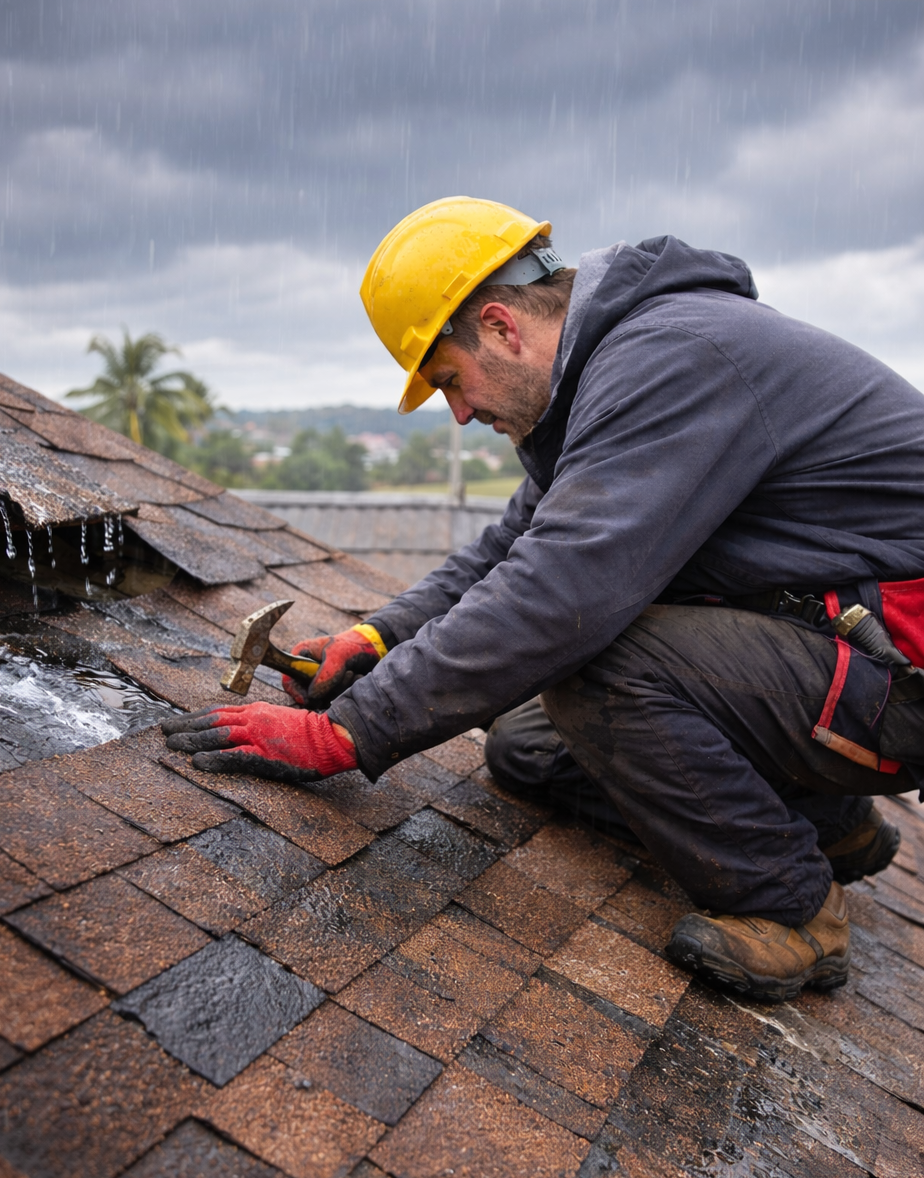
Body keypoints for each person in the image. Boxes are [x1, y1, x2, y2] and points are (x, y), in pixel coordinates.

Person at [163, 197, 924, 1004]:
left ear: (500, 326)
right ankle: (821, 818)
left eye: (450, 381)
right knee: (525, 743)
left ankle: (792, 905)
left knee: (595, 668)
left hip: (898, 672)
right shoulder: (600, 381)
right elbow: (512, 551)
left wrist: (349, 731)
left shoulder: (674, 358)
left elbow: (561, 592)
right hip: (838, 654)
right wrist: (379, 636)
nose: (458, 413)